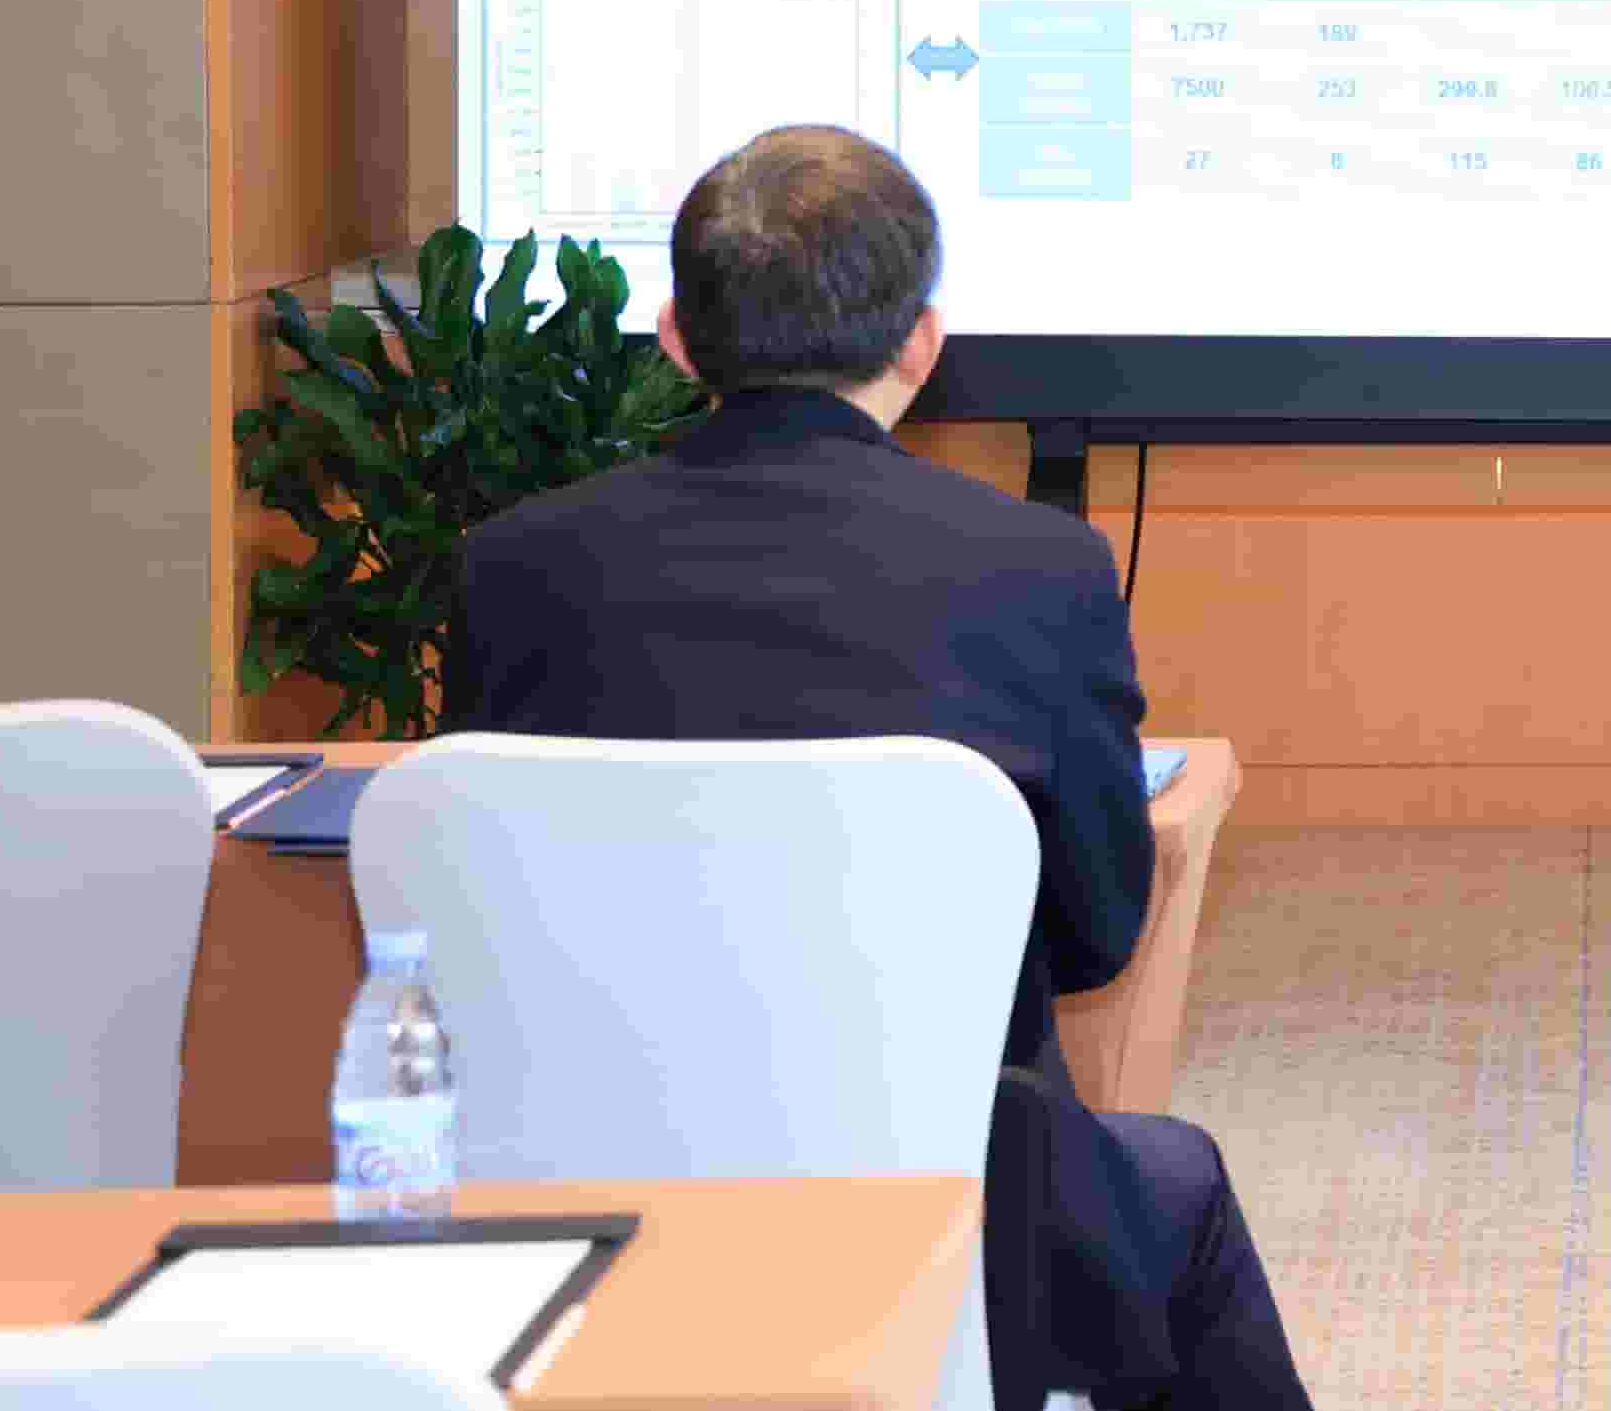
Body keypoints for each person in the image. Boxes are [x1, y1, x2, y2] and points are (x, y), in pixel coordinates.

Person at [448, 125, 1310, 1411]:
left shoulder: (511, 567)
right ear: (921, 341)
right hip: (952, 1209)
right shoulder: (1039, 568)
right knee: (1174, 1187)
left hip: (575, 1204)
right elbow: (1094, 934)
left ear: (675, 337)